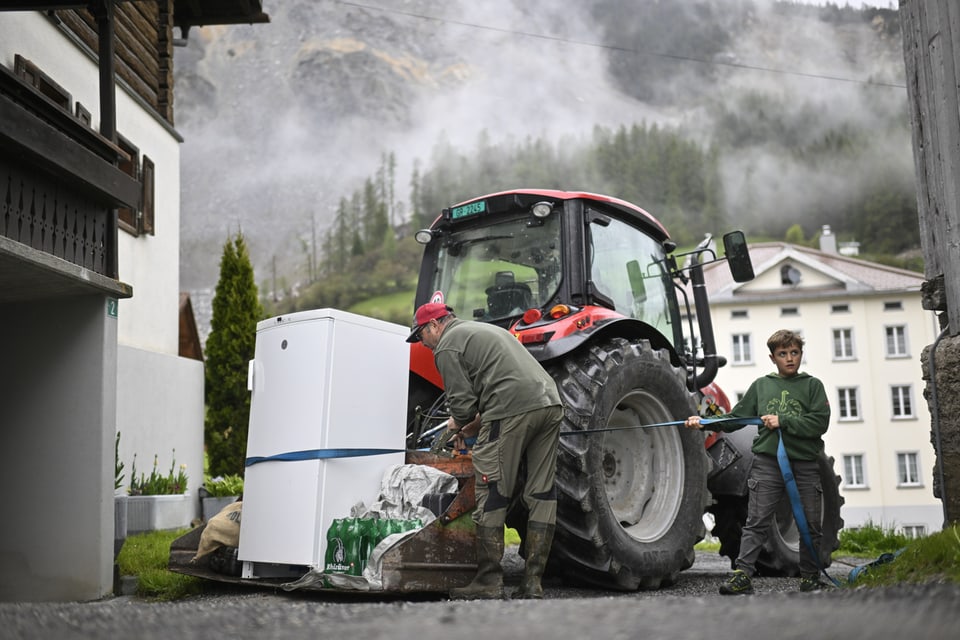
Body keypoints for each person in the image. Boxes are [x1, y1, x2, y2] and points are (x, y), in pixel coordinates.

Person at [406, 302, 563, 599]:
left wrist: (454, 426)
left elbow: (464, 406)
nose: (422, 344)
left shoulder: (447, 346)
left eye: (421, 336)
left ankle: (488, 581)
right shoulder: (481, 330)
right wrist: (470, 427)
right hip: (549, 402)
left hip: (513, 410)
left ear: (434, 326)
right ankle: (533, 582)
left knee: (491, 492)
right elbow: (496, 391)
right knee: (541, 493)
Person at [684, 329, 831, 594]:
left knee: (810, 523)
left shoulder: (813, 386)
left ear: (800, 355)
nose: (789, 359)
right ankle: (743, 576)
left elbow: (819, 423)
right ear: (773, 357)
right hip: (767, 463)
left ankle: (810, 577)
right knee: (756, 521)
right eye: (783, 354)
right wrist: (704, 421)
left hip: (805, 464)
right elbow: (737, 418)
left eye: (794, 353)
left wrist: (783, 421)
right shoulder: (762, 386)